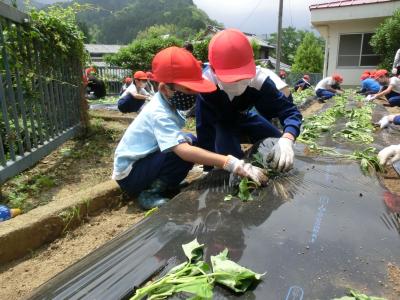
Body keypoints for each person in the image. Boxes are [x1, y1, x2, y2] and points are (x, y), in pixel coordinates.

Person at [112, 47, 268, 210]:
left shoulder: (168, 103)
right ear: (165, 89)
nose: (193, 95)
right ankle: (149, 192)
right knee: (183, 152)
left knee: (190, 140)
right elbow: (183, 151)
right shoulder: (158, 113)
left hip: (143, 163)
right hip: (130, 175)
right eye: (187, 89)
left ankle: (167, 183)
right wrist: (230, 162)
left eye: (195, 89)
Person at [196, 29, 302, 172]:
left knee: (277, 142)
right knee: (231, 160)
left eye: (243, 77)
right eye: (231, 79)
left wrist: (288, 138)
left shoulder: (259, 81)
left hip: (245, 118)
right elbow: (204, 128)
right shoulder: (207, 85)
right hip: (221, 125)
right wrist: (208, 168)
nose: (238, 84)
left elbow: (289, 111)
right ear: (214, 71)